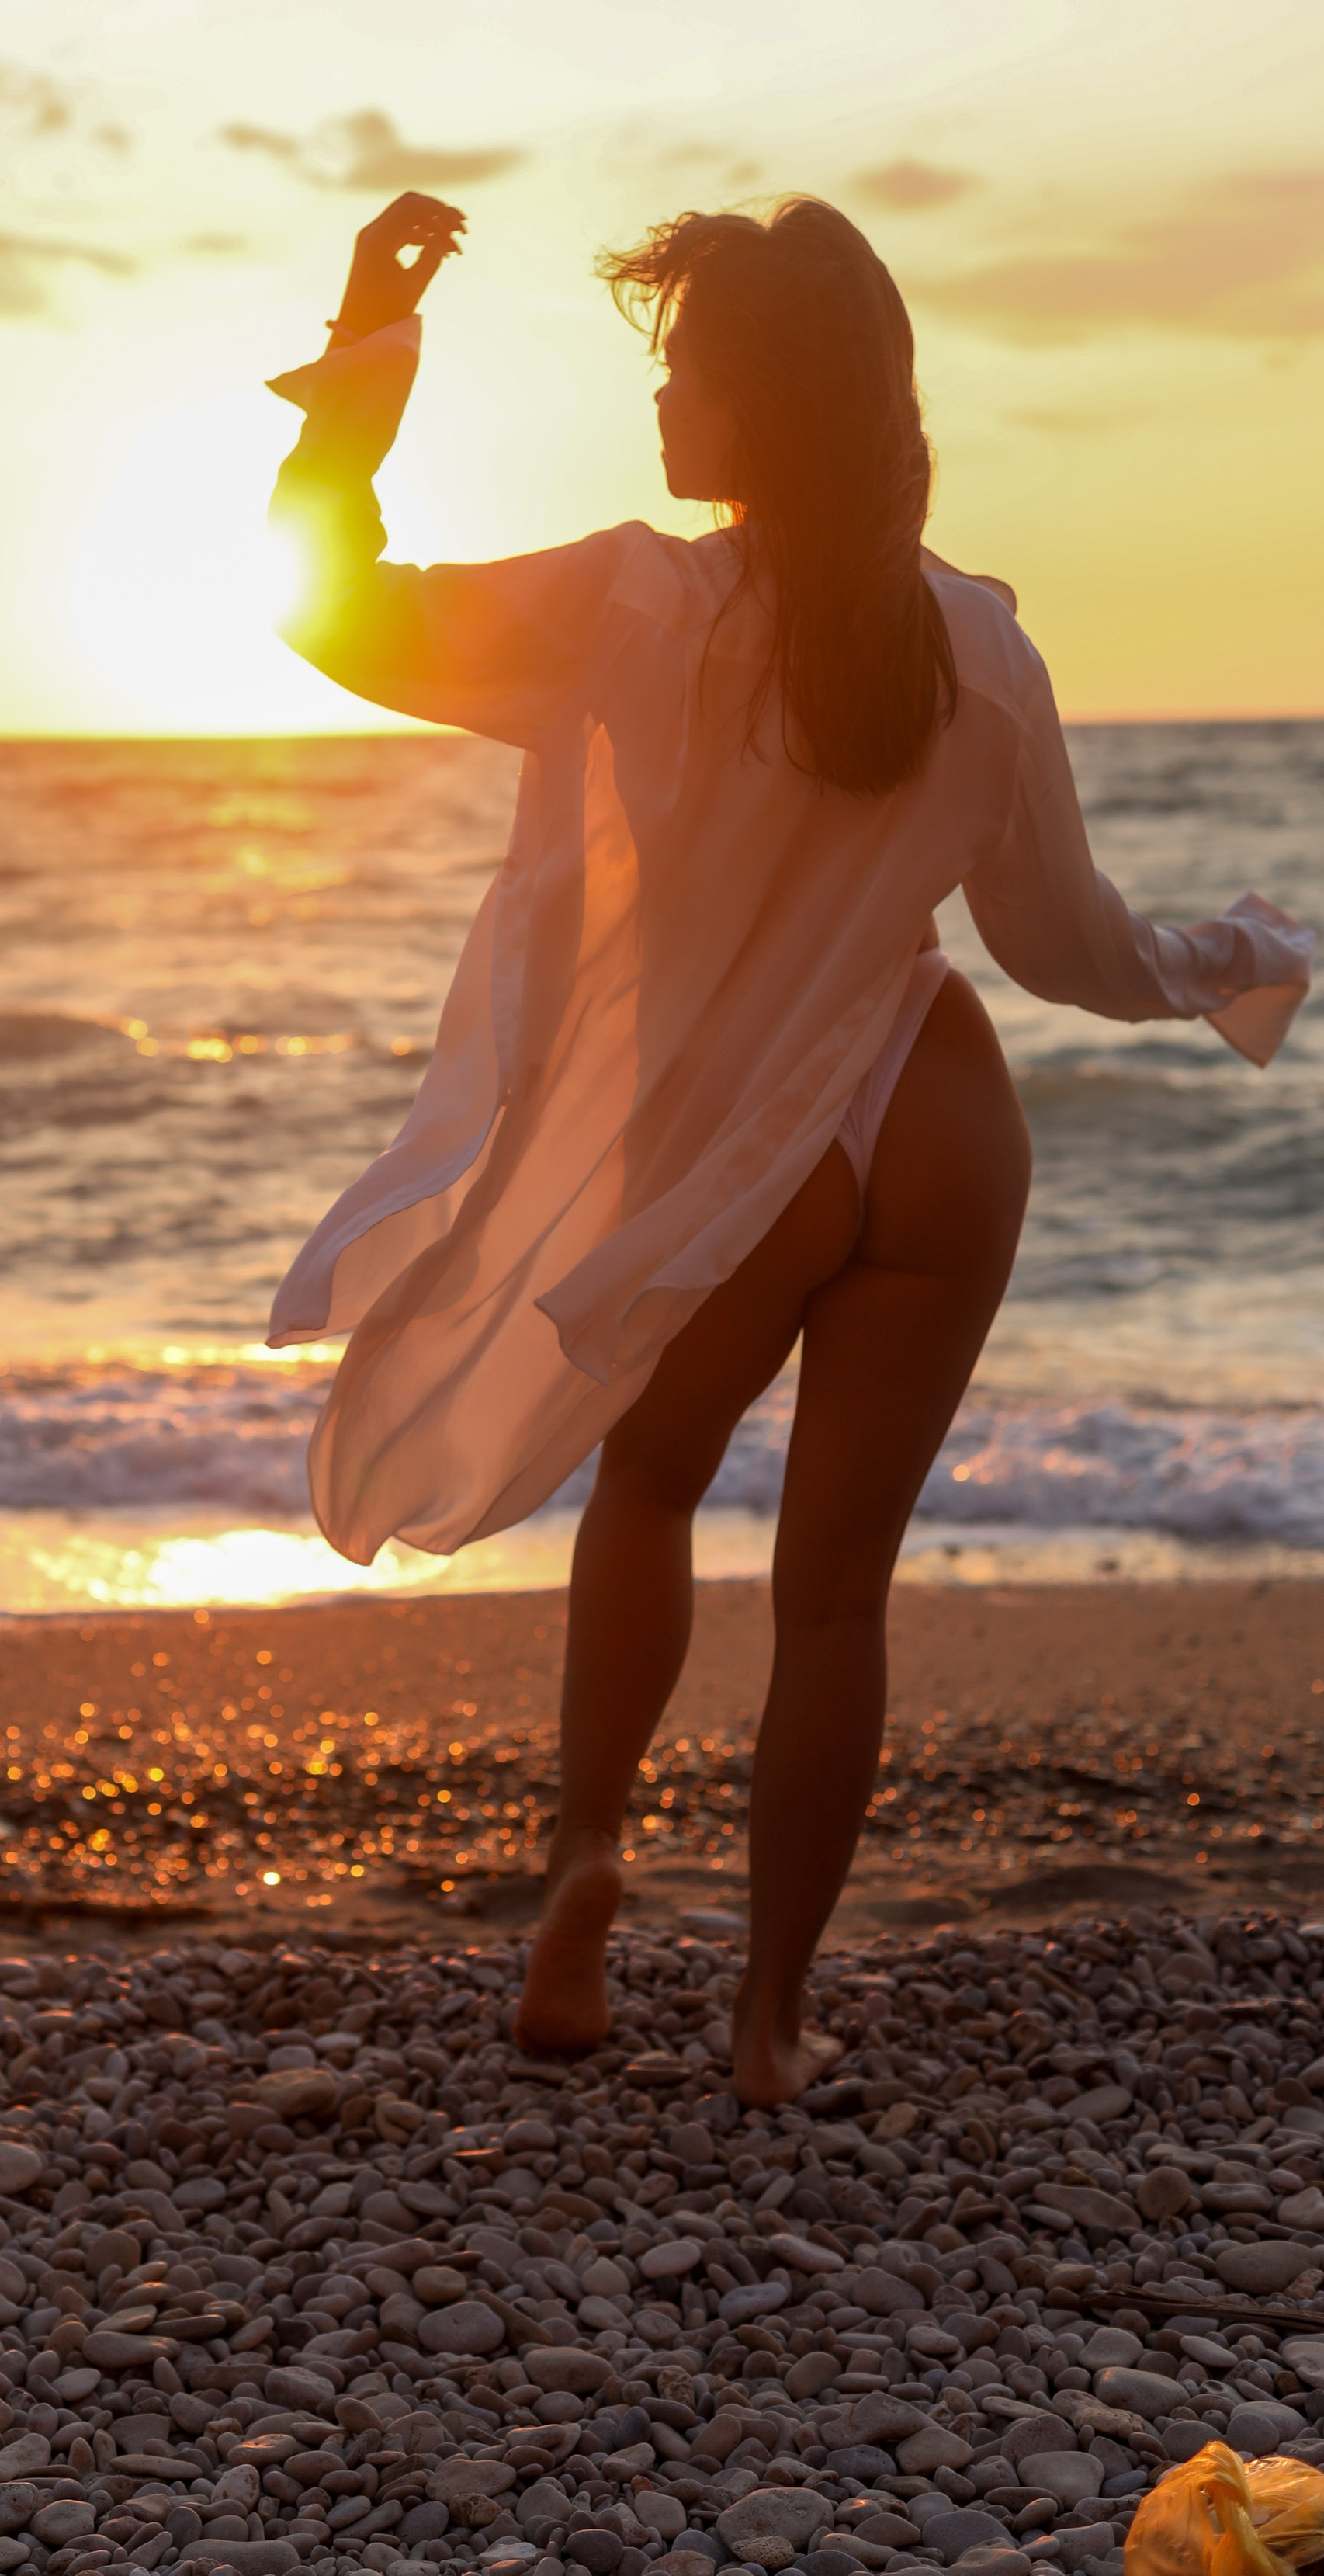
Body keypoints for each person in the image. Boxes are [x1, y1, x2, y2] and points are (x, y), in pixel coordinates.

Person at [261, 189, 1312, 2105]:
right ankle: (766, 2024)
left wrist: (364, 362)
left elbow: (332, 611)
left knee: (649, 1495)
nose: (661, 406)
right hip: (932, 1106)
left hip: (752, 1157)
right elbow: (1064, 949)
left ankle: (586, 1866)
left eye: (688, 376)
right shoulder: (975, 645)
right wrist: (1244, 954)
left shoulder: (632, 603)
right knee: (835, 1595)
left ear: (766, 409)